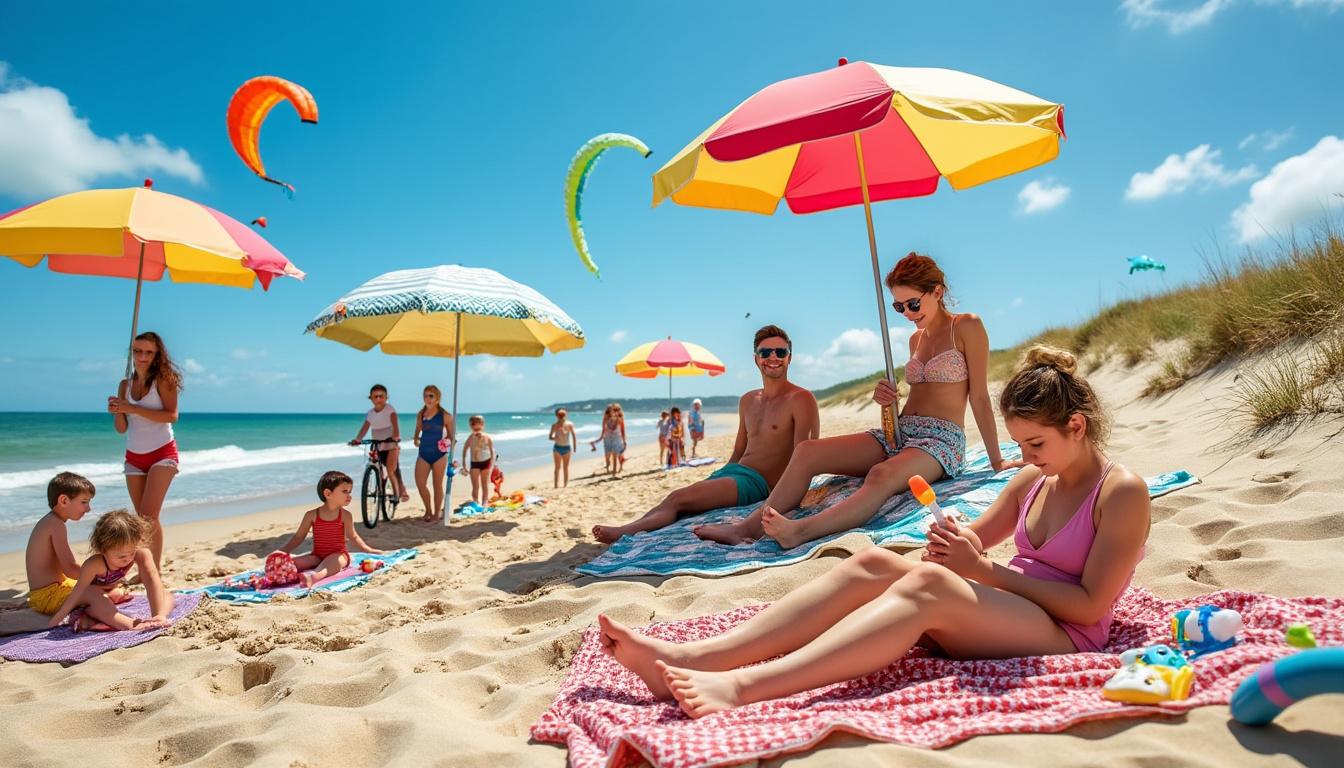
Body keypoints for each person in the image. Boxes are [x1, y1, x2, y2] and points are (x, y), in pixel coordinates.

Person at [599, 346, 1151, 718]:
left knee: (925, 588)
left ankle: (743, 688)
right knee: (874, 562)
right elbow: (979, 541)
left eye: (1036, 444)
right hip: (1011, 610)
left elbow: (1087, 606)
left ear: (1075, 427)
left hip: (1065, 631)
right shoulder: (1034, 477)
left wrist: (980, 571)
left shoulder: (1120, 492)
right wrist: (956, 542)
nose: (1025, 456)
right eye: (1021, 444)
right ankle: (701, 658)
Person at [696, 253, 1019, 549]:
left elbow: (977, 395)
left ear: (937, 291)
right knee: (807, 452)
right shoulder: (915, 339)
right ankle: (748, 528)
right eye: (898, 306)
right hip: (901, 431)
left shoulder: (966, 326)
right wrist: (886, 401)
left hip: (940, 440)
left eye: (913, 304)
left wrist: (996, 461)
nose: (906, 313)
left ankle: (801, 531)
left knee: (880, 475)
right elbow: (916, 396)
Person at [592, 325, 819, 543]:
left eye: (781, 352)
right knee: (679, 498)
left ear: (790, 357)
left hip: (758, 482)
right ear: (756, 358)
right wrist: (723, 475)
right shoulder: (748, 400)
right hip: (734, 472)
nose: (773, 357)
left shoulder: (800, 399)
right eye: (765, 352)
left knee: (678, 499)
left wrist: (774, 498)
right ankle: (634, 527)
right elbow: (740, 450)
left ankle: (623, 532)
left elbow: (804, 458)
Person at [108, 331, 181, 571]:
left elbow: (171, 415)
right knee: (141, 520)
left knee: (149, 517)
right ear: (132, 353)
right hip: (134, 456)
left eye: (148, 352)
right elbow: (121, 429)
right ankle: (145, 568)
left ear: (157, 354)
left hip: (163, 453)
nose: (142, 356)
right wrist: (119, 410)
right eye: (138, 351)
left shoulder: (164, 380)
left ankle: (154, 569)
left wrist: (133, 407)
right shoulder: (124, 385)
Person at [48, 510, 176, 632]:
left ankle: (158, 619)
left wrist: (158, 613)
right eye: (121, 556)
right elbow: (78, 591)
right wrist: (58, 618)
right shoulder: (94, 564)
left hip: (109, 592)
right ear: (103, 549)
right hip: (90, 597)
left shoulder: (141, 553)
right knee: (99, 603)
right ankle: (131, 624)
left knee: (167, 596)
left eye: (131, 552)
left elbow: (152, 579)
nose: (127, 559)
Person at [274, 471, 385, 587]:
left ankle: (313, 577)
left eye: (350, 492)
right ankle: (285, 577)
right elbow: (299, 536)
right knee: (290, 565)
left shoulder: (345, 515)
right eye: (345, 491)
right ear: (328, 493)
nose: (349, 495)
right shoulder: (311, 515)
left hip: (339, 555)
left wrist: (368, 550)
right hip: (317, 555)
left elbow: (353, 536)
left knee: (330, 563)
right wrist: (283, 550)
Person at [26, 472, 112, 617]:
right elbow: (70, 568)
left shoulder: (51, 521)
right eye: (84, 502)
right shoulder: (55, 524)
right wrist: (98, 578)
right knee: (97, 593)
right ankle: (86, 621)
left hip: (53, 589)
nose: (88, 509)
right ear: (64, 501)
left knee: (106, 592)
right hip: (47, 597)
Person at [349, 384, 409, 503]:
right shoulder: (370, 413)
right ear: (370, 398)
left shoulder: (390, 409)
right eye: (375, 396)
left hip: (391, 443)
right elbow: (365, 427)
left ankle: (396, 495)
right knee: (380, 468)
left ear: (386, 397)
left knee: (392, 469)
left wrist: (396, 436)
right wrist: (358, 439)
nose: (378, 399)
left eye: (381, 396)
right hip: (378, 443)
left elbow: (395, 424)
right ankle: (382, 489)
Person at [412, 385, 454, 522]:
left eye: (431, 396)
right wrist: (416, 440)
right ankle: (428, 510)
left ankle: (436, 513)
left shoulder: (445, 416)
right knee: (420, 483)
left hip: (439, 455)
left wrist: (446, 442)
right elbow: (417, 433)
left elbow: (452, 437)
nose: (428, 399)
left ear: (437, 399)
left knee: (437, 485)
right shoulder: (421, 414)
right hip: (423, 453)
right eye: (425, 395)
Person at [462, 415, 495, 505]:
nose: (475, 427)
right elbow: (465, 450)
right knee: (475, 485)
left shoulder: (487, 437)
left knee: (485, 484)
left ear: (482, 425)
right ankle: (475, 500)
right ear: (470, 426)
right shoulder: (470, 438)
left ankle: (485, 501)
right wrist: (464, 464)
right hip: (475, 463)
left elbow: (492, 451)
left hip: (486, 462)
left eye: (478, 424)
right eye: (473, 425)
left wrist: (493, 464)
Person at [549, 408, 578, 488]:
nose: (562, 416)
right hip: (557, 448)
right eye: (560, 415)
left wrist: (575, 447)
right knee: (557, 467)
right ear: (556, 416)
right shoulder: (554, 425)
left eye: (563, 415)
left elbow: (574, 436)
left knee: (565, 467)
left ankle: (565, 485)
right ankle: (556, 485)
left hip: (566, 448)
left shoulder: (569, 424)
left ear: (566, 415)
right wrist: (555, 438)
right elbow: (550, 437)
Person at [601, 404, 625, 477]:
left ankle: (615, 472)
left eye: (617, 410)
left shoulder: (620, 418)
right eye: (614, 410)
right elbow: (603, 429)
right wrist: (601, 437)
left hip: (617, 439)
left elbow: (623, 430)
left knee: (617, 455)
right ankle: (609, 468)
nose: (615, 412)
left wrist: (624, 440)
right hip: (608, 438)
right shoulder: (606, 418)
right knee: (608, 454)